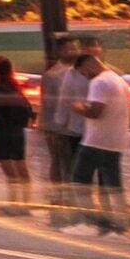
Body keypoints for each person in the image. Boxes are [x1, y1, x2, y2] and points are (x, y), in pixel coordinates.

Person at [68, 42, 130, 235]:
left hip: (96, 141)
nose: (84, 77)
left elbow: (95, 111)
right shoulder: (119, 80)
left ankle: (89, 220)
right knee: (112, 184)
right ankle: (118, 222)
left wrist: (78, 107)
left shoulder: (99, 82)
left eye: (82, 72)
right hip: (116, 140)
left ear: (88, 65)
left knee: (79, 179)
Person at [37, 37, 85, 210]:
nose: (74, 51)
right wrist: (53, 129)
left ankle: (73, 195)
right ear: (60, 51)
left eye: (76, 47)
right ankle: (59, 195)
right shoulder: (53, 74)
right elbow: (49, 104)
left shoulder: (81, 71)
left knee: (74, 163)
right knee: (58, 161)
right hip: (59, 127)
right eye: (69, 48)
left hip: (79, 125)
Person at [0, 56, 34, 212]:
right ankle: (25, 203)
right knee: (21, 168)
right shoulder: (13, 87)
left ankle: (14, 204)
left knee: (10, 172)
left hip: (2, 133)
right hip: (18, 132)